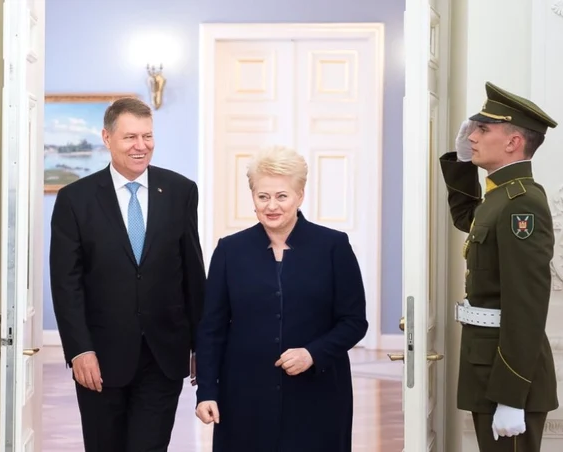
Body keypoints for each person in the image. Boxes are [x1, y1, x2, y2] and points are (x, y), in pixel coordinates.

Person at [49, 97, 206, 451]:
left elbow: (192, 273)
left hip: (164, 354)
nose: (141, 146)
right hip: (100, 359)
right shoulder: (76, 199)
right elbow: (66, 283)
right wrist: (79, 350)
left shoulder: (180, 191)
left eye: (147, 136)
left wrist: (201, 344)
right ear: (107, 138)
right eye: (130, 137)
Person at [194, 147, 369, 451]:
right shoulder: (229, 250)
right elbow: (211, 329)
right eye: (263, 197)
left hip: (318, 393)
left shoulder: (333, 247)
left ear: (300, 195)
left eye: (282, 196)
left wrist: (312, 354)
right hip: (244, 396)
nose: (272, 206)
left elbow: (354, 322)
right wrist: (206, 390)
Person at [440, 81, 559, 451]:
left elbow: (526, 304)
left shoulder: (521, 203)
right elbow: (466, 218)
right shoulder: (498, 197)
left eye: (483, 129)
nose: (473, 135)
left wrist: (511, 395)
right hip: (487, 362)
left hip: (507, 374)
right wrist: (461, 162)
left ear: (512, 142)